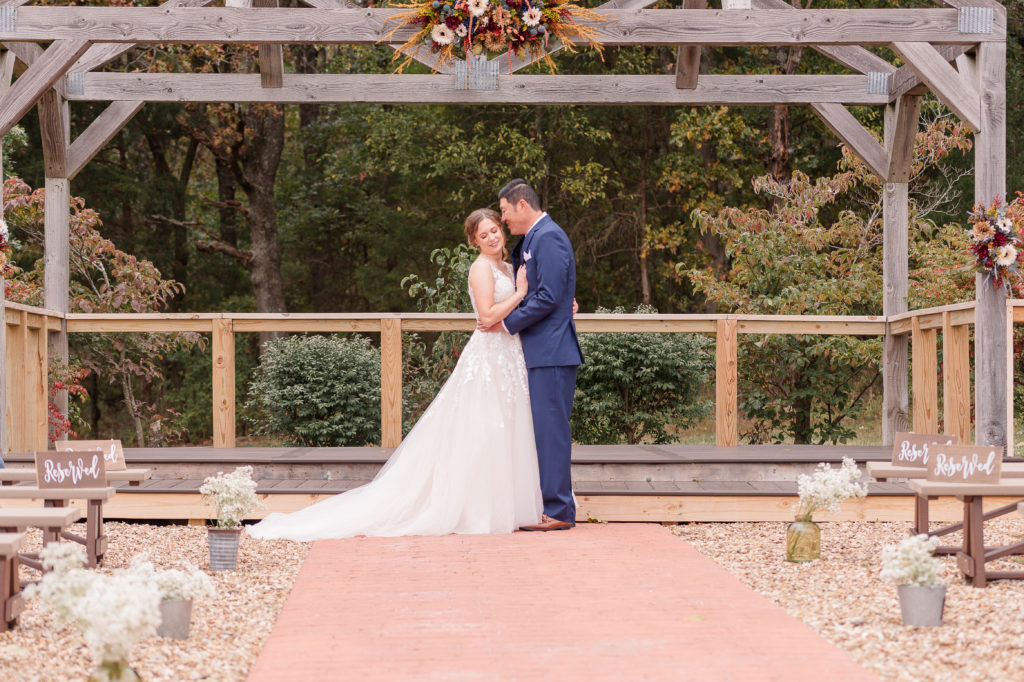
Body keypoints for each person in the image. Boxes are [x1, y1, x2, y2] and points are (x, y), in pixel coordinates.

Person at [247, 208, 542, 541]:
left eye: (494, 230)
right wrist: (518, 294)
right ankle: (476, 510)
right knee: (483, 428)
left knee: (506, 428)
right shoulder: (481, 269)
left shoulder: (507, 266)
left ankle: (506, 505)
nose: (491, 237)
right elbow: (487, 316)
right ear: (474, 240)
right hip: (488, 356)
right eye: (483, 234)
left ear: (502, 231)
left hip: (509, 355)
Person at [483, 179, 583, 532]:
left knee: (551, 431)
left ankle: (558, 511)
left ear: (522, 206)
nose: (505, 220)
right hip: (541, 349)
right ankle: (548, 505)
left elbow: (549, 296)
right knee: (542, 431)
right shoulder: (533, 239)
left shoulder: (550, 236)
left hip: (553, 351)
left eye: (506, 212)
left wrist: (506, 324)